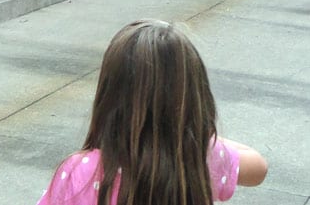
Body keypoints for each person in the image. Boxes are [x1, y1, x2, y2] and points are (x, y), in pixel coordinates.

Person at [37, 19, 267, 205]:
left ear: (108, 98)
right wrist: (191, 131)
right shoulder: (199, 158)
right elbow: (258, 168)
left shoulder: (79, 171)